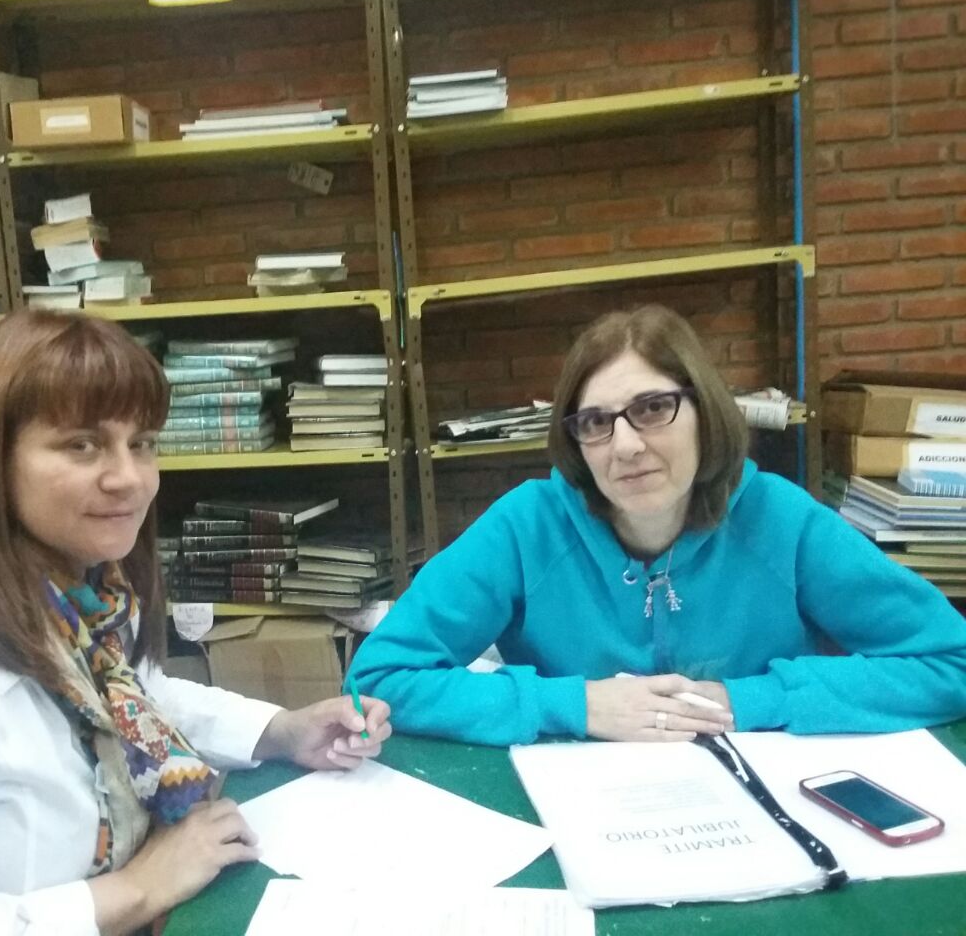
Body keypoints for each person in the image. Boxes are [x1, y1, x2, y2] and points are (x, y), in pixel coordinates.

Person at [0, 311, 392, 935]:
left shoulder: (75, 586)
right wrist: (135, 889)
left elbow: (131, 698)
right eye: (82, 444)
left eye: (142, 442)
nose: (129, 478)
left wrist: (282, 732)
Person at [347, 304, 966, 747]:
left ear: (705, 411)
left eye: (652, 408)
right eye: (595, 422)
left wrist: (750, 701)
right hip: (581, 805)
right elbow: (379, 678)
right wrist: (576, 704)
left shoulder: (781, 519)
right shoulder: (525, 527)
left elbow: (950, 659)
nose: (625, 446)